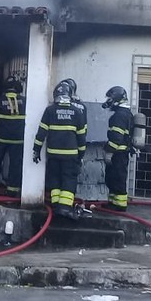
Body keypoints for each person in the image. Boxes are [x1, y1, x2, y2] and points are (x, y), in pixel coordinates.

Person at [33, 81, 87, 220]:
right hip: (71, 156)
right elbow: (82, 138)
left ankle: (56, 205)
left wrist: (36, 150)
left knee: (54, 179)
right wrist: (81, 155)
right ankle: (65, 207)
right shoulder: (77, 112)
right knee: (69, 179)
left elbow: (41, 133)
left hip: (53, 154)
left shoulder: (50, 110)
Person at [103, 86, 133, 212]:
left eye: (110, 98)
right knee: (112, 178)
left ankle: (120, 205)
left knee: (117, 178)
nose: (108, 101)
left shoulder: (119, 116)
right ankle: (113, 203)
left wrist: (109, 151)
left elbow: (116, 137)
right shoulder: (125, 113)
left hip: (118, 153)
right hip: (121, 152)